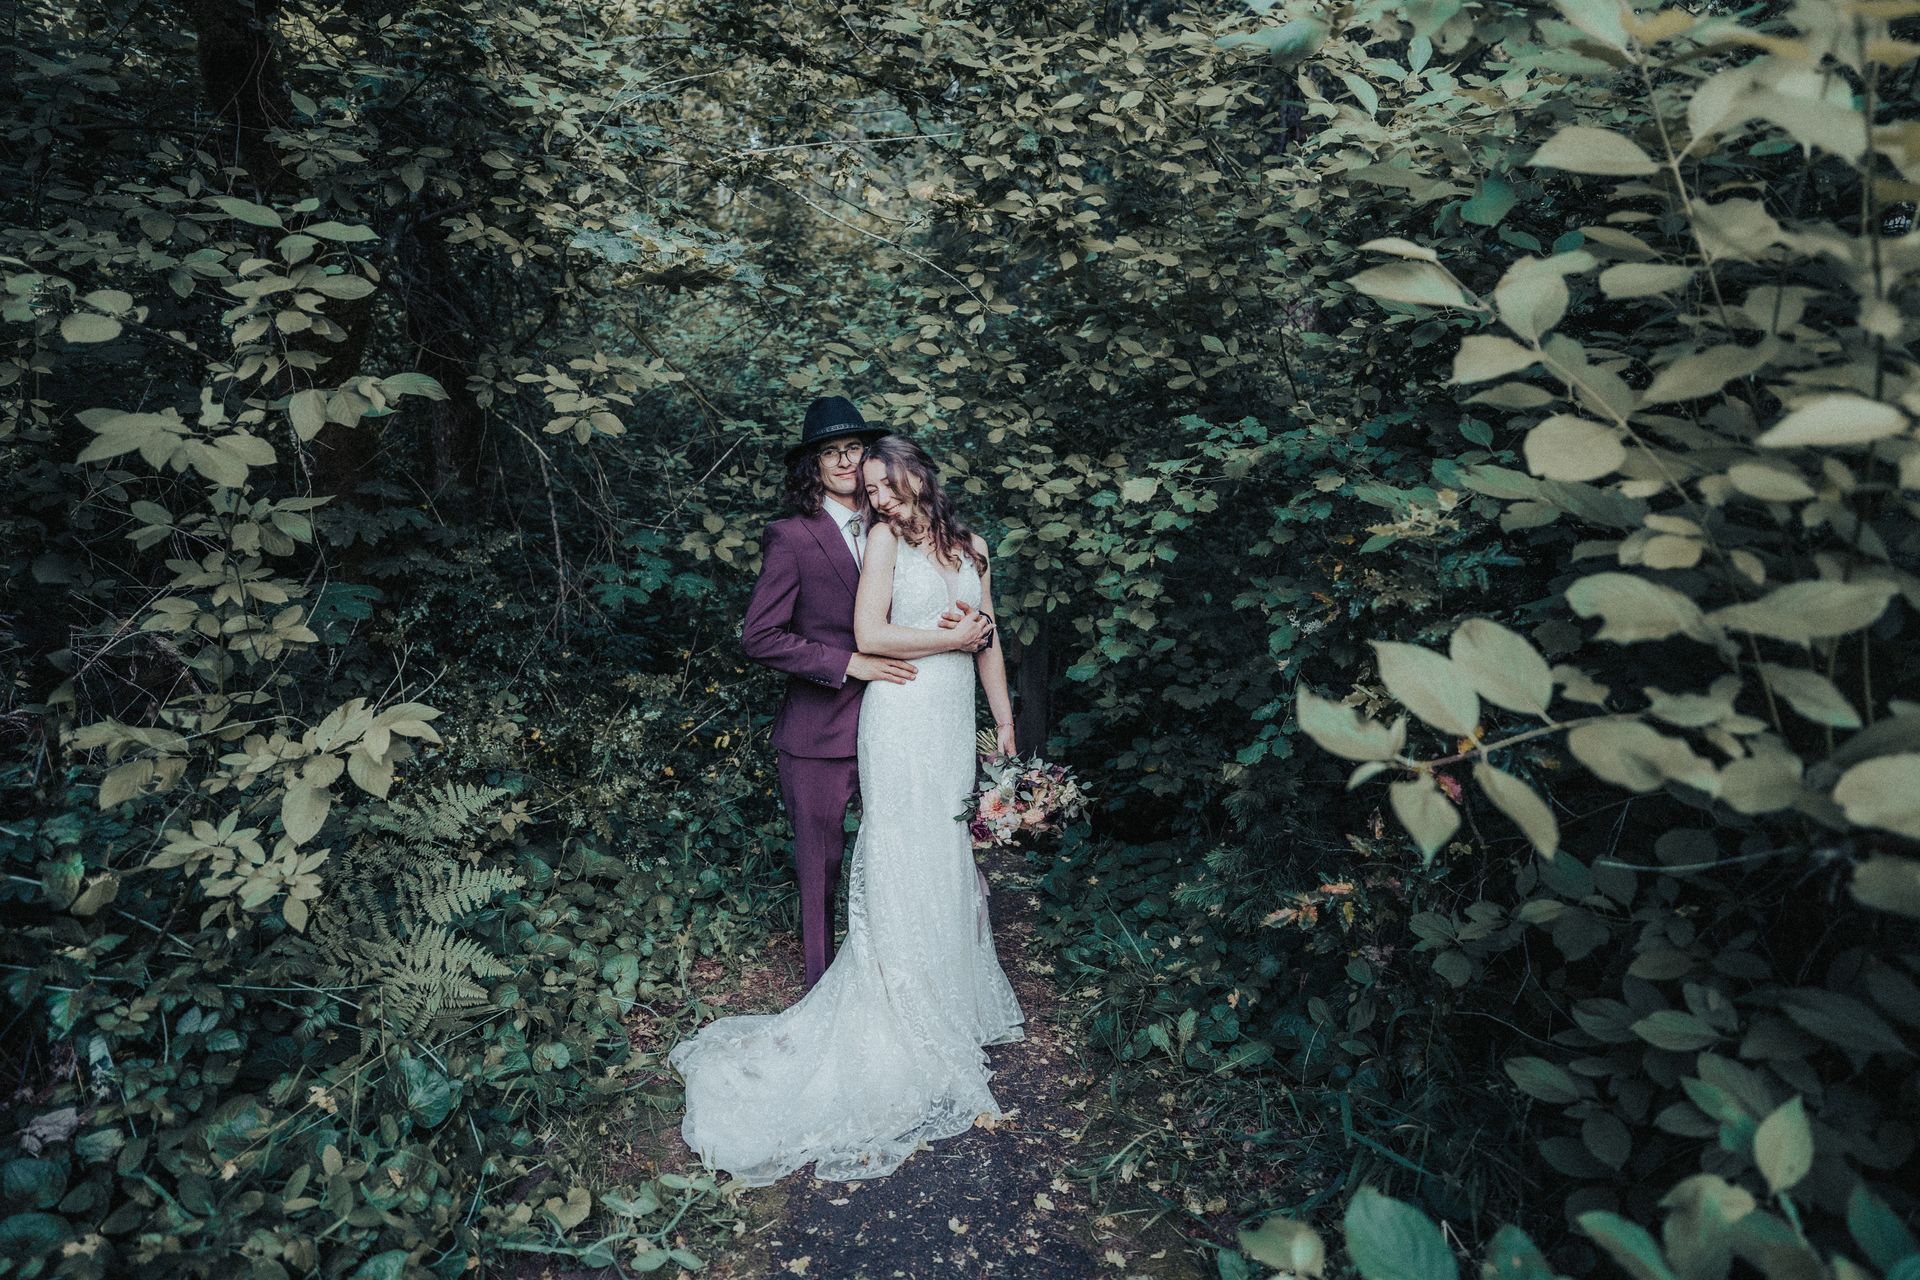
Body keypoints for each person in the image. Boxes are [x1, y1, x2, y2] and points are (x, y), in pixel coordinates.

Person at [669, 430, 1027, 1187]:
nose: (879, 501)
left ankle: (948, 988)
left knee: (946, 843)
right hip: (896, 710)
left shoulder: (974, 544)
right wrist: (948, 638)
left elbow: (989, 637)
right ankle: (892, 999)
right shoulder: (876, 543)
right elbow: (868, 635)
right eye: (870, 492)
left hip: (952, 715)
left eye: (887, 486)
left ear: (917, 475)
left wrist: (1006, 723)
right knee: (892, 845)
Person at [737, 395, 989, 990]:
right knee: (821, 867)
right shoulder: (792, 536)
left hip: (902, 722)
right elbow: (760, 637)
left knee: (906, 854)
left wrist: (973, 627)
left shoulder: (899, 524)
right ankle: (825, 991)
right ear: (813, 467)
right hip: (820, 729)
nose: (847, 461)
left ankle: (901, 980)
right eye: (832, 452)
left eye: (854, 448)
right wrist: (851, 661)